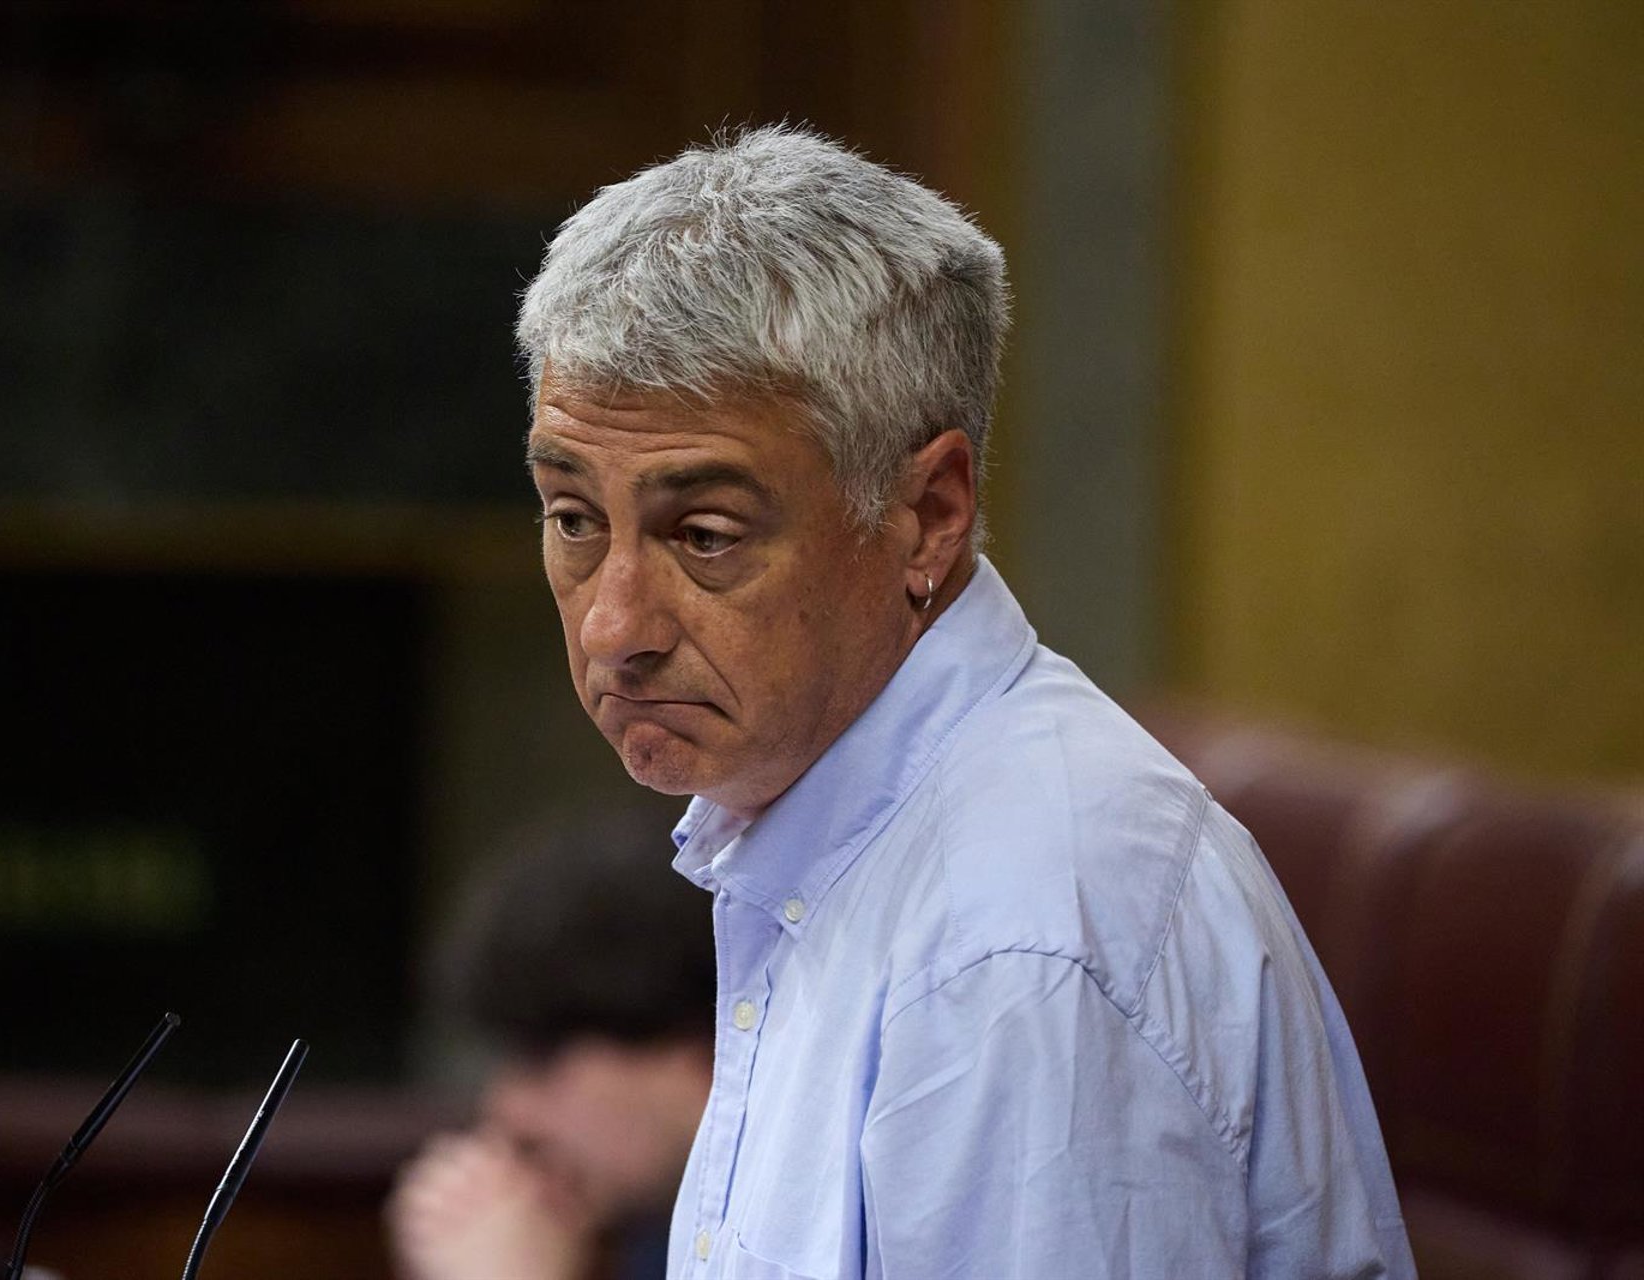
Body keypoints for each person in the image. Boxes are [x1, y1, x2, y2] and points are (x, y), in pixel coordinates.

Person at [513, 125, 1417, 1278]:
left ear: (928, 515)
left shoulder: (1016, 945)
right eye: (574, 518)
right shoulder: (823, 828)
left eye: (706, 533)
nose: (612, 626)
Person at [388, 812, 714, 1280]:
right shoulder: (653, 1238)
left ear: (697, 1053)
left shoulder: (803, 1228)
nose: (507, 1112)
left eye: (542, 1058)